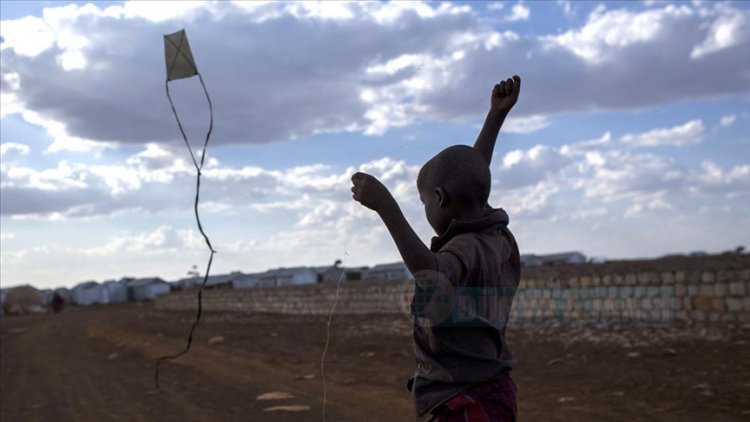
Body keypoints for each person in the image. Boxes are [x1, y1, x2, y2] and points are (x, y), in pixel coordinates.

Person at [351, 75, 522, 421]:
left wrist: (386, 206)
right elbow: (473, 178)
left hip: (466, 399)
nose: (424, 208)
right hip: (486, 389)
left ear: (441, 199)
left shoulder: (467, 249)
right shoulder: (496, 238)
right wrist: (495, 117)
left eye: (424, 201)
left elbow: (431, 270)